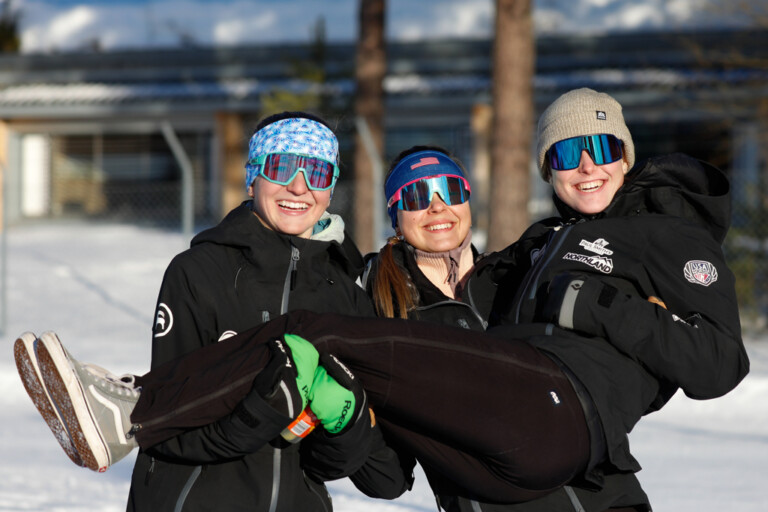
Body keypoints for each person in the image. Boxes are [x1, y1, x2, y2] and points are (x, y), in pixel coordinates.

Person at [18, 89, 749, 509]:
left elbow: (673, 363)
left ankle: (130, 409)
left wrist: (611, 318)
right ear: (393, 216)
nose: (436, 207)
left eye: (450, 189)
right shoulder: (374, 300)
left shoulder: (520, 273)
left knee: (305, 333)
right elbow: (385, 473)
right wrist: (327, 416)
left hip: (588, 492)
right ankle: (131, 409)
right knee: (305, 339)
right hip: (478, 492)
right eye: (414, 196)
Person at [15, 111, 409, 511]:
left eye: (317, 172)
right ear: (253, 177)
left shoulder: (346, 297)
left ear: (331, 187)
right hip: (190, 501)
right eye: (281, 167)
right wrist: (260, 413)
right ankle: (126, 413)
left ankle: (122, 414)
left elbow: (335, 467)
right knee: (167, 403)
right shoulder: (201, 272)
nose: (298, 186)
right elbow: (168, 433)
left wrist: (346, 421)